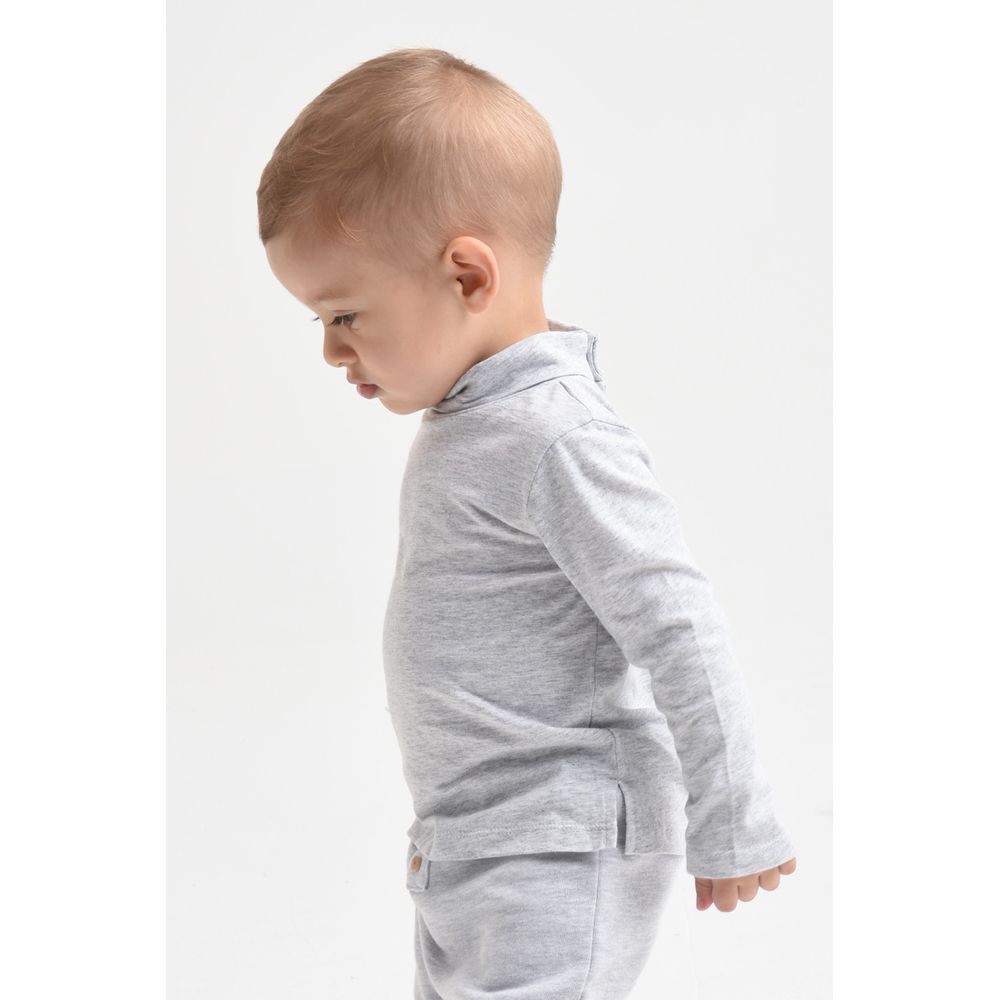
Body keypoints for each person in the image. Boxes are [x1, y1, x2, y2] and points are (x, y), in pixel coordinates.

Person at [258, 46, 797, 1000]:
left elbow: (677, 622)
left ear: (468, 276)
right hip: (469, 841)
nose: (334, 351)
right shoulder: (478, 418)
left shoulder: (557, 435)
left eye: (344, 314)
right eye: (321, 322)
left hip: (556, 842)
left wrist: (733, 812)